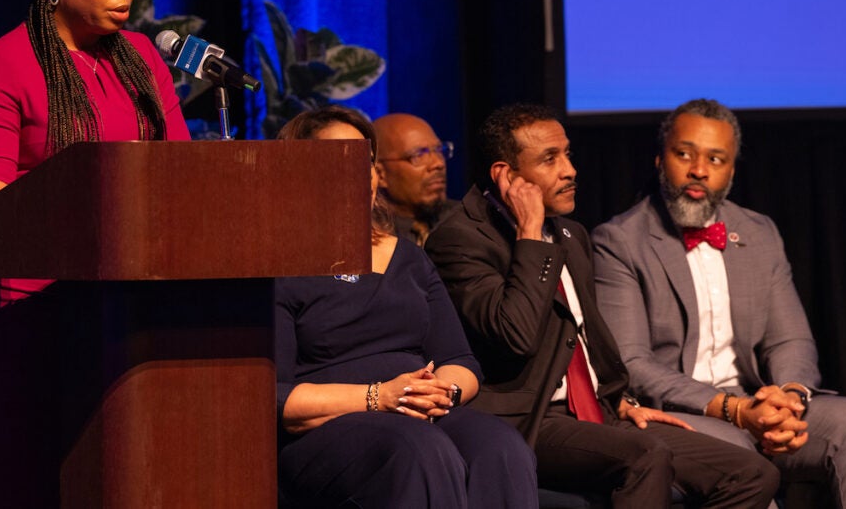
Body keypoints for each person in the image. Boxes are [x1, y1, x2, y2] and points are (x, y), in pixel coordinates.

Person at [424, 102, 779, 508]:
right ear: (506, 174)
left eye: (567, 154)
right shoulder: (460, 239)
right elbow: (515, 335)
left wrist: (621, 401)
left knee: (752, 474)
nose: (569, 170)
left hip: (596, 411)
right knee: (645, 456)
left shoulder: (571, 234)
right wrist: (529, 238)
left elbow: (586, 339)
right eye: (549, 159)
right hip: (530, 419)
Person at [0, 0, 192, 507]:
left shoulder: (141, 58)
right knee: (40, 480)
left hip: (138, 305)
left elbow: (181, 175)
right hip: (38, 310)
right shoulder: (3, 61)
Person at [592, 98, 846, 508]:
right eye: (685, 154)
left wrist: (789, 398)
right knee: (745, 467)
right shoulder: (619, 241)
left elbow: (789, 341)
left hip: (758, 404)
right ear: (660, 161)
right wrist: (734, 410)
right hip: (677, 414)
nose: (699, 170)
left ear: (731, 171)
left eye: (716, 159)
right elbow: (631, 362)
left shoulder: (759, 231)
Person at [275, 106, 537, 508]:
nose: (358, 171)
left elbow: (461, 362)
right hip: (330, 428)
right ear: (299, 174)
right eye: (338, 159)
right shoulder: (278, 266)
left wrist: (440, 392)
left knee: (500, 446)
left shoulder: (409, 259)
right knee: (419, 449)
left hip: (417, 412)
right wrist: (378, 397)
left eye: (366, 160)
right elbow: (278, 397)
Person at [0, 0, 191, 301]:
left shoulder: (142, 57)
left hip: (140, 285)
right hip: (42, 293)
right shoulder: (1, 62)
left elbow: (181, 167)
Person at [373, 112, 459, 245]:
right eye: (418, 155)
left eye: (438, 150)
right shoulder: (368, 240)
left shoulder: (464, 221)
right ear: (379, 174)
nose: (438, 164)